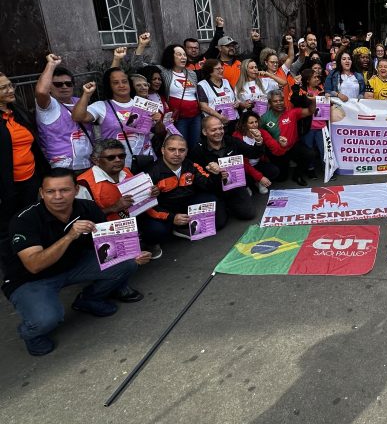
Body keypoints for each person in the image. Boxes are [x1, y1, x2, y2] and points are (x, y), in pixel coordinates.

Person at [1, 168, 149, 356]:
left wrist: (130, 253)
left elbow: (107, 243)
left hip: (74, 264)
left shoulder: (87, 207)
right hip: (31, 279)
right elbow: (34, 265)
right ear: (41, 193)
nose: (57, 196)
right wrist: (70, 236)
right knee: (46, 319)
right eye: (50, 191)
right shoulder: (24, 220)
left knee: (127, 263)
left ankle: (89, 299)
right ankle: (31, 333)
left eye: (64, 190)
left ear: (76, 190)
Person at [142, 134, 226, 247]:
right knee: (156, 231)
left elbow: (208, 186)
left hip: (187, 205)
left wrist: (216, 174)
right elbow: (147, 207)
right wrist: (172, 218)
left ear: (186, 152)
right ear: (163, 150)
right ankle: (172, 230)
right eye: (172, 149)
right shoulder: (151, 173)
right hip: (165, 211)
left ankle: (182, 228)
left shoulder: (191, 165)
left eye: (181, 150)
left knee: (216, 212)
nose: (177, 154)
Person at [72, 68, 155, 170]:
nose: (121, 85)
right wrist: (86, 94)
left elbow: (157, 131)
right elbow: (78, 117)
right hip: (117, 166)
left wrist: (159, 121)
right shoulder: (101, 106)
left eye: (124, 81)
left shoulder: (143, 104)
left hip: (145, 161)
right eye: (116, 83)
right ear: (109, 86)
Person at [0, 71, 45, 241]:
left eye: (11, 85)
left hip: (31, 179)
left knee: (29, 220)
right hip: (7, 187)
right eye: (3, 88)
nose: (10, 90)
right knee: (8, 227)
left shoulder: (19, 113)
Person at [190, 116, 264, 219]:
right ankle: (224, 207)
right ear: (204, 132)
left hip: (235, 185)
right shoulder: (198, 150)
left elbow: (254, 153)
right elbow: (200, 181)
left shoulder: (231, 140)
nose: (219, 132)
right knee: (220, 222)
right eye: (213, 129)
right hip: (214, 189)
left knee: (248, 214)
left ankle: (236, 200)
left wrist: (259, 140)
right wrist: (214, 174)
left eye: (220, 128)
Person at [34, 53, 93, 172]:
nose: (64, 86)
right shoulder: (49, 106)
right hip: (62, 169)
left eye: (68, 83)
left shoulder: (80, 101)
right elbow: (41, 92)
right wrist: (51, 64)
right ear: (50, 87)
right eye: (58, 84)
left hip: (88, 164)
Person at [261, 90, 317, 185]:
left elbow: (310, 111)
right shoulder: (264, 118)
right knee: (281, 178)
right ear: (270, 103)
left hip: (293, 146)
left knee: (310, 154)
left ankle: (297, 175)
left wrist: (313, 101)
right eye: (275, 101)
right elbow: (262, 136)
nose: (279, 103)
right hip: (278, 150)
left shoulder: (292, 112)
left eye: (281, 100)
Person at [232, 111, 283, 192]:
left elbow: (275, 148)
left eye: (256, 122)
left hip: (258, 163)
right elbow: (242, 162)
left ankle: (258, 182)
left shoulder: (262, 132)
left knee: (274, 171)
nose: (255, 124)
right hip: (244, 167)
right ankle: (247, 186)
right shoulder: (237, 136)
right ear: (244, 124)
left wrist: (282, 146)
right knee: (245, 178)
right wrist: (260, 177)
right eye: (251, 123)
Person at [197, 58, 243, 127]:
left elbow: (234, 99)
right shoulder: (202, 85)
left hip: (233, 120)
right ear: (210, 71)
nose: (221, 70)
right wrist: (220, 117)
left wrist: (236, 103)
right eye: (218, 69)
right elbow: (203, 107)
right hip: (215, 123)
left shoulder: (226, 82)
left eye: (222, 68)